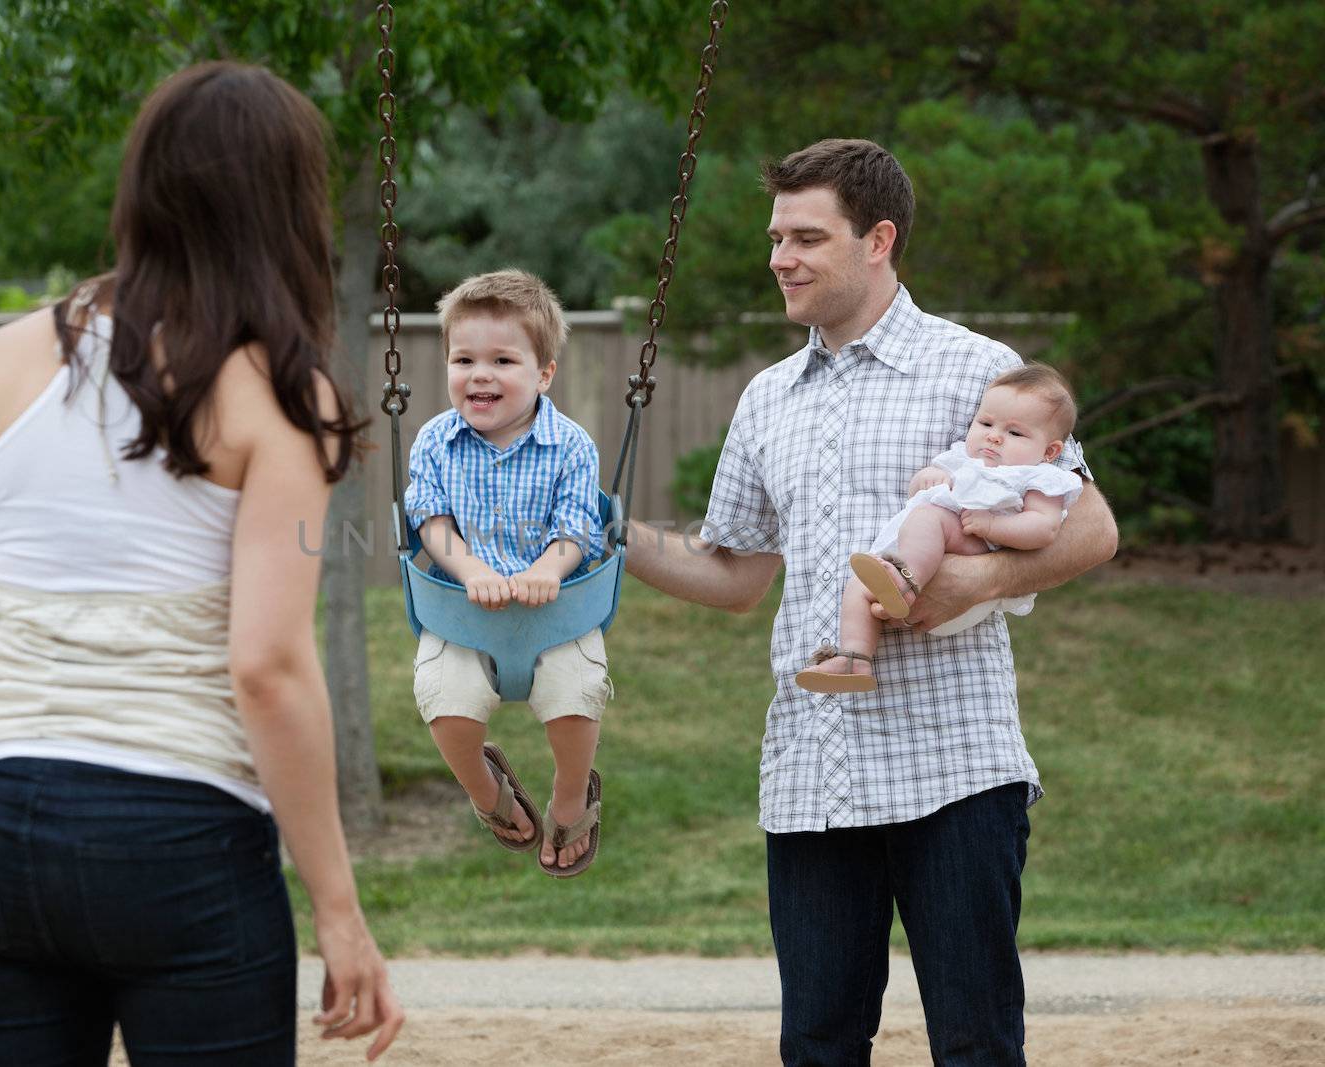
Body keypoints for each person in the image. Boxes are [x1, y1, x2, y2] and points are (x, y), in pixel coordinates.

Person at [0, 62, 402, 1065]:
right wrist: (339, 909)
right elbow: (268, 667)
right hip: (177, 833)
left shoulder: (7, 357)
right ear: (287, 207)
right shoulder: (282, 396)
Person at [623, 139, 1118, 1065]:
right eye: (776, 237)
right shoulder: (768, 397)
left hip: (954, 765)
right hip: (812, 773)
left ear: (879, 239)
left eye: (808, 237)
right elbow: (734, 573)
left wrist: (983, 578)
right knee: (815, 1045)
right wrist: (616, 538)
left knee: (974, 1043)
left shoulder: (976, 367)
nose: (781, 258)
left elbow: (1093, 526)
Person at [403, 269, 611, 878]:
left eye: (502, 359)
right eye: (463, 359)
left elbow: (577, 526)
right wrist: (469, 569)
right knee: (446, 702)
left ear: (544, 373)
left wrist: (551, 567)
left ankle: (571, 796)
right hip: (464, 610)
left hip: (555, 609)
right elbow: (430, 519)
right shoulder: (435, 440)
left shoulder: (571, 445)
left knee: (576, 694)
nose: (480, 374)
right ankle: (486, 792)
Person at [797, 362, 1085, 693]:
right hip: (928, 550)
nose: (993, 435)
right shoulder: (961, 459)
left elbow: (1043, 528)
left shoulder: (1039, 477)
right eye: (986, 422)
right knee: (859, 584)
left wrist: (992, 525)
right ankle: (855, 658)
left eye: (1014, 432)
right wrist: (927, 479)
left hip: (976, 552)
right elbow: (921, 489)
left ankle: (904, 584)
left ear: (1049, 451)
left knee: (929, 518)